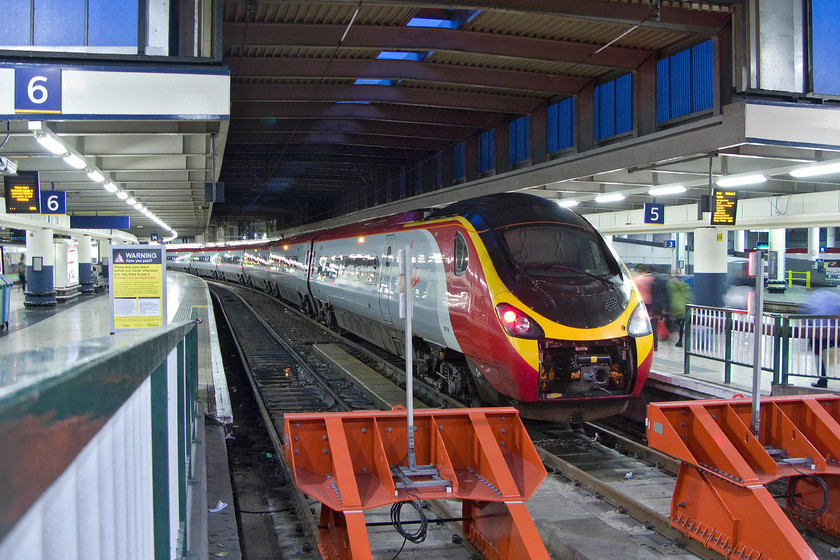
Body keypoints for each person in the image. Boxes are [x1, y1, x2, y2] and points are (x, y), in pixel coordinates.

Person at [800, 288, 840, 388]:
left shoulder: (813, 298)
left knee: (819, 354)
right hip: (836, 330)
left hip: (819, 332)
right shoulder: (835, 297)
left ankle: (823, 380)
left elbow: (806, 315)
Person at [667, 272, 692, 347]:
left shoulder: (670, 285)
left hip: (674, 306)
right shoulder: (685, 285)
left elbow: (667, 296)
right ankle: (681, 340)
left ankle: (671, 336)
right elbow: (688, 297)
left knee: (673, 322)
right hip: (684, 307)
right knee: (682, 323)